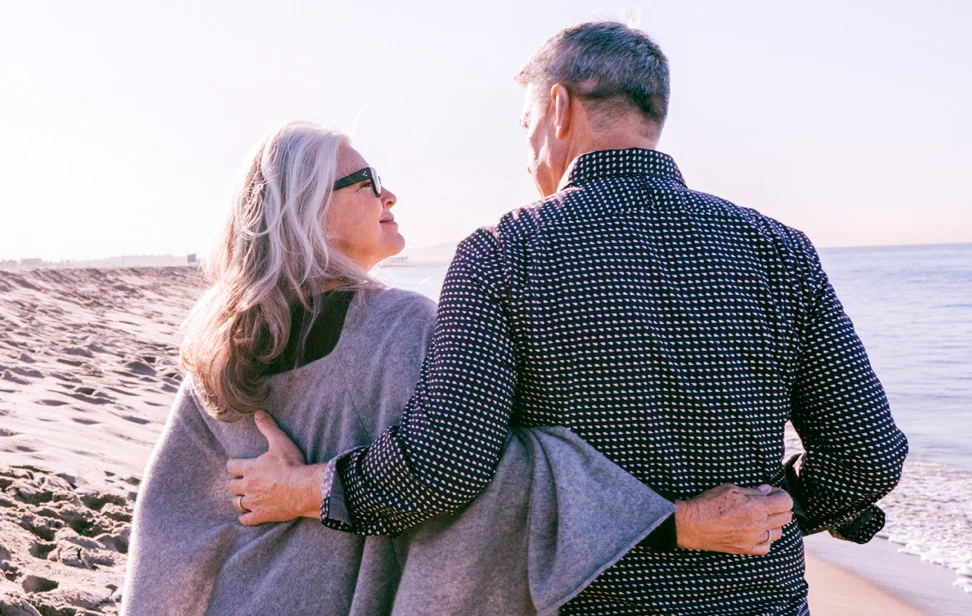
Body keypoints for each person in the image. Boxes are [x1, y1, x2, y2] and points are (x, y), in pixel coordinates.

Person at [230, 21, 909, 615]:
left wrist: (308, 490)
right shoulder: (779, 249)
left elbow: (444, 467)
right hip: (759, 598)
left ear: (558, 108)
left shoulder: (502, 252)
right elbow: (868, 457)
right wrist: (776, 510)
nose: (528, 153)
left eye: (526, 125)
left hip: (583, 602)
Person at [122, 121, 791, 615]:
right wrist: (675, 521)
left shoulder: (221, 345)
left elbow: (171, 525)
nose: (391, 196)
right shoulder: (402, 326)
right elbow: (485, 474)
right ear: (310, 209)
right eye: (369, 183)